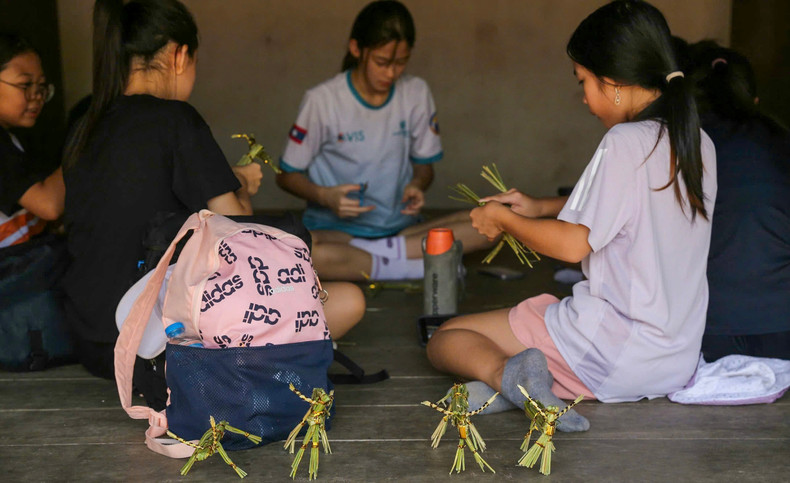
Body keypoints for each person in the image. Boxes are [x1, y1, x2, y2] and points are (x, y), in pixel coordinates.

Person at [426, 0, 717, 431]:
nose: (583, 97)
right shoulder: (698, 144)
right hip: (673, 360)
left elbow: (571, 244)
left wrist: (504, 221)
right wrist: (540, 208)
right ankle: (528, 381)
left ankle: (506, 378)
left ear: (613, 81)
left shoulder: (624, 141)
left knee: (446, 339)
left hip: (610, 355)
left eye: (583, 81)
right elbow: (638, 211)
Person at [62, 0, 363, 380]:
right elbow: (244, 238)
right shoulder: (176, 119)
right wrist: (241, 187)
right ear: (179, 55)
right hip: (157, 354)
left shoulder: (84, 123)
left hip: (94, 345)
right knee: (350, 300)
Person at [276, 0, 492, 281]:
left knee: (489, 226)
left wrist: (417, 184)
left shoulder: (415, 92)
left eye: (401, 62)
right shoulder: (323, 100)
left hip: (400, 230)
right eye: (382, 62)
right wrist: (325, 196)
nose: (391, 73)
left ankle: (368, 259)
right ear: (356, 50)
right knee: (296, 252)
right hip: (334, 231)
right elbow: (285, 175)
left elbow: (425, 167)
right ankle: (404, 263)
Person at [683, 41, 790, 361]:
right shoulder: (780, 142)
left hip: (704, 336)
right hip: (783, 332)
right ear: (754, 101)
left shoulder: (680, 148)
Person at [0, 33, 63, 246]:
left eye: (41, 86)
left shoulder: (15, 135)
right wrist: (83, 146)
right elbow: (49, 205)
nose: (37, 96)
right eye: (25, 85)